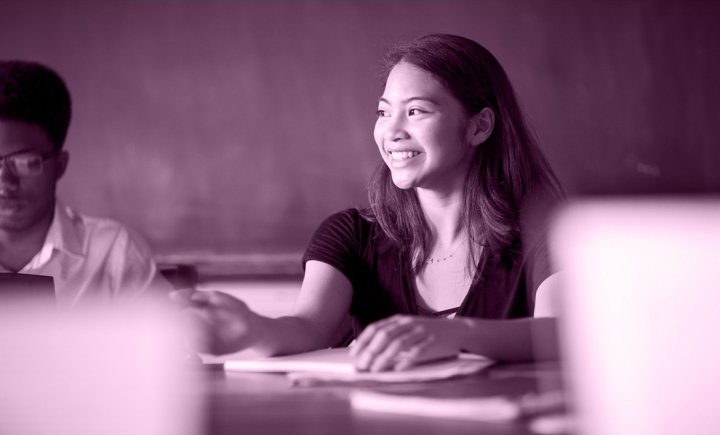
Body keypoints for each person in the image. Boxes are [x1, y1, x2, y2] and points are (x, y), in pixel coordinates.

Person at [173, 34, 564, 371]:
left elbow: (562, 332)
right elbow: (309, 327)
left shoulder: (546, 230)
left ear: (479, 126)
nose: (391, 131)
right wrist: (250, 328)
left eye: (415, 111)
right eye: (383, 112)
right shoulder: (351, 235)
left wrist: (453, 334)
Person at [0, 60, 170, 303]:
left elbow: (168, 336)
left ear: (59, 165)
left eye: (25, 163)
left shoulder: (113, 251)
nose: (5, 182)